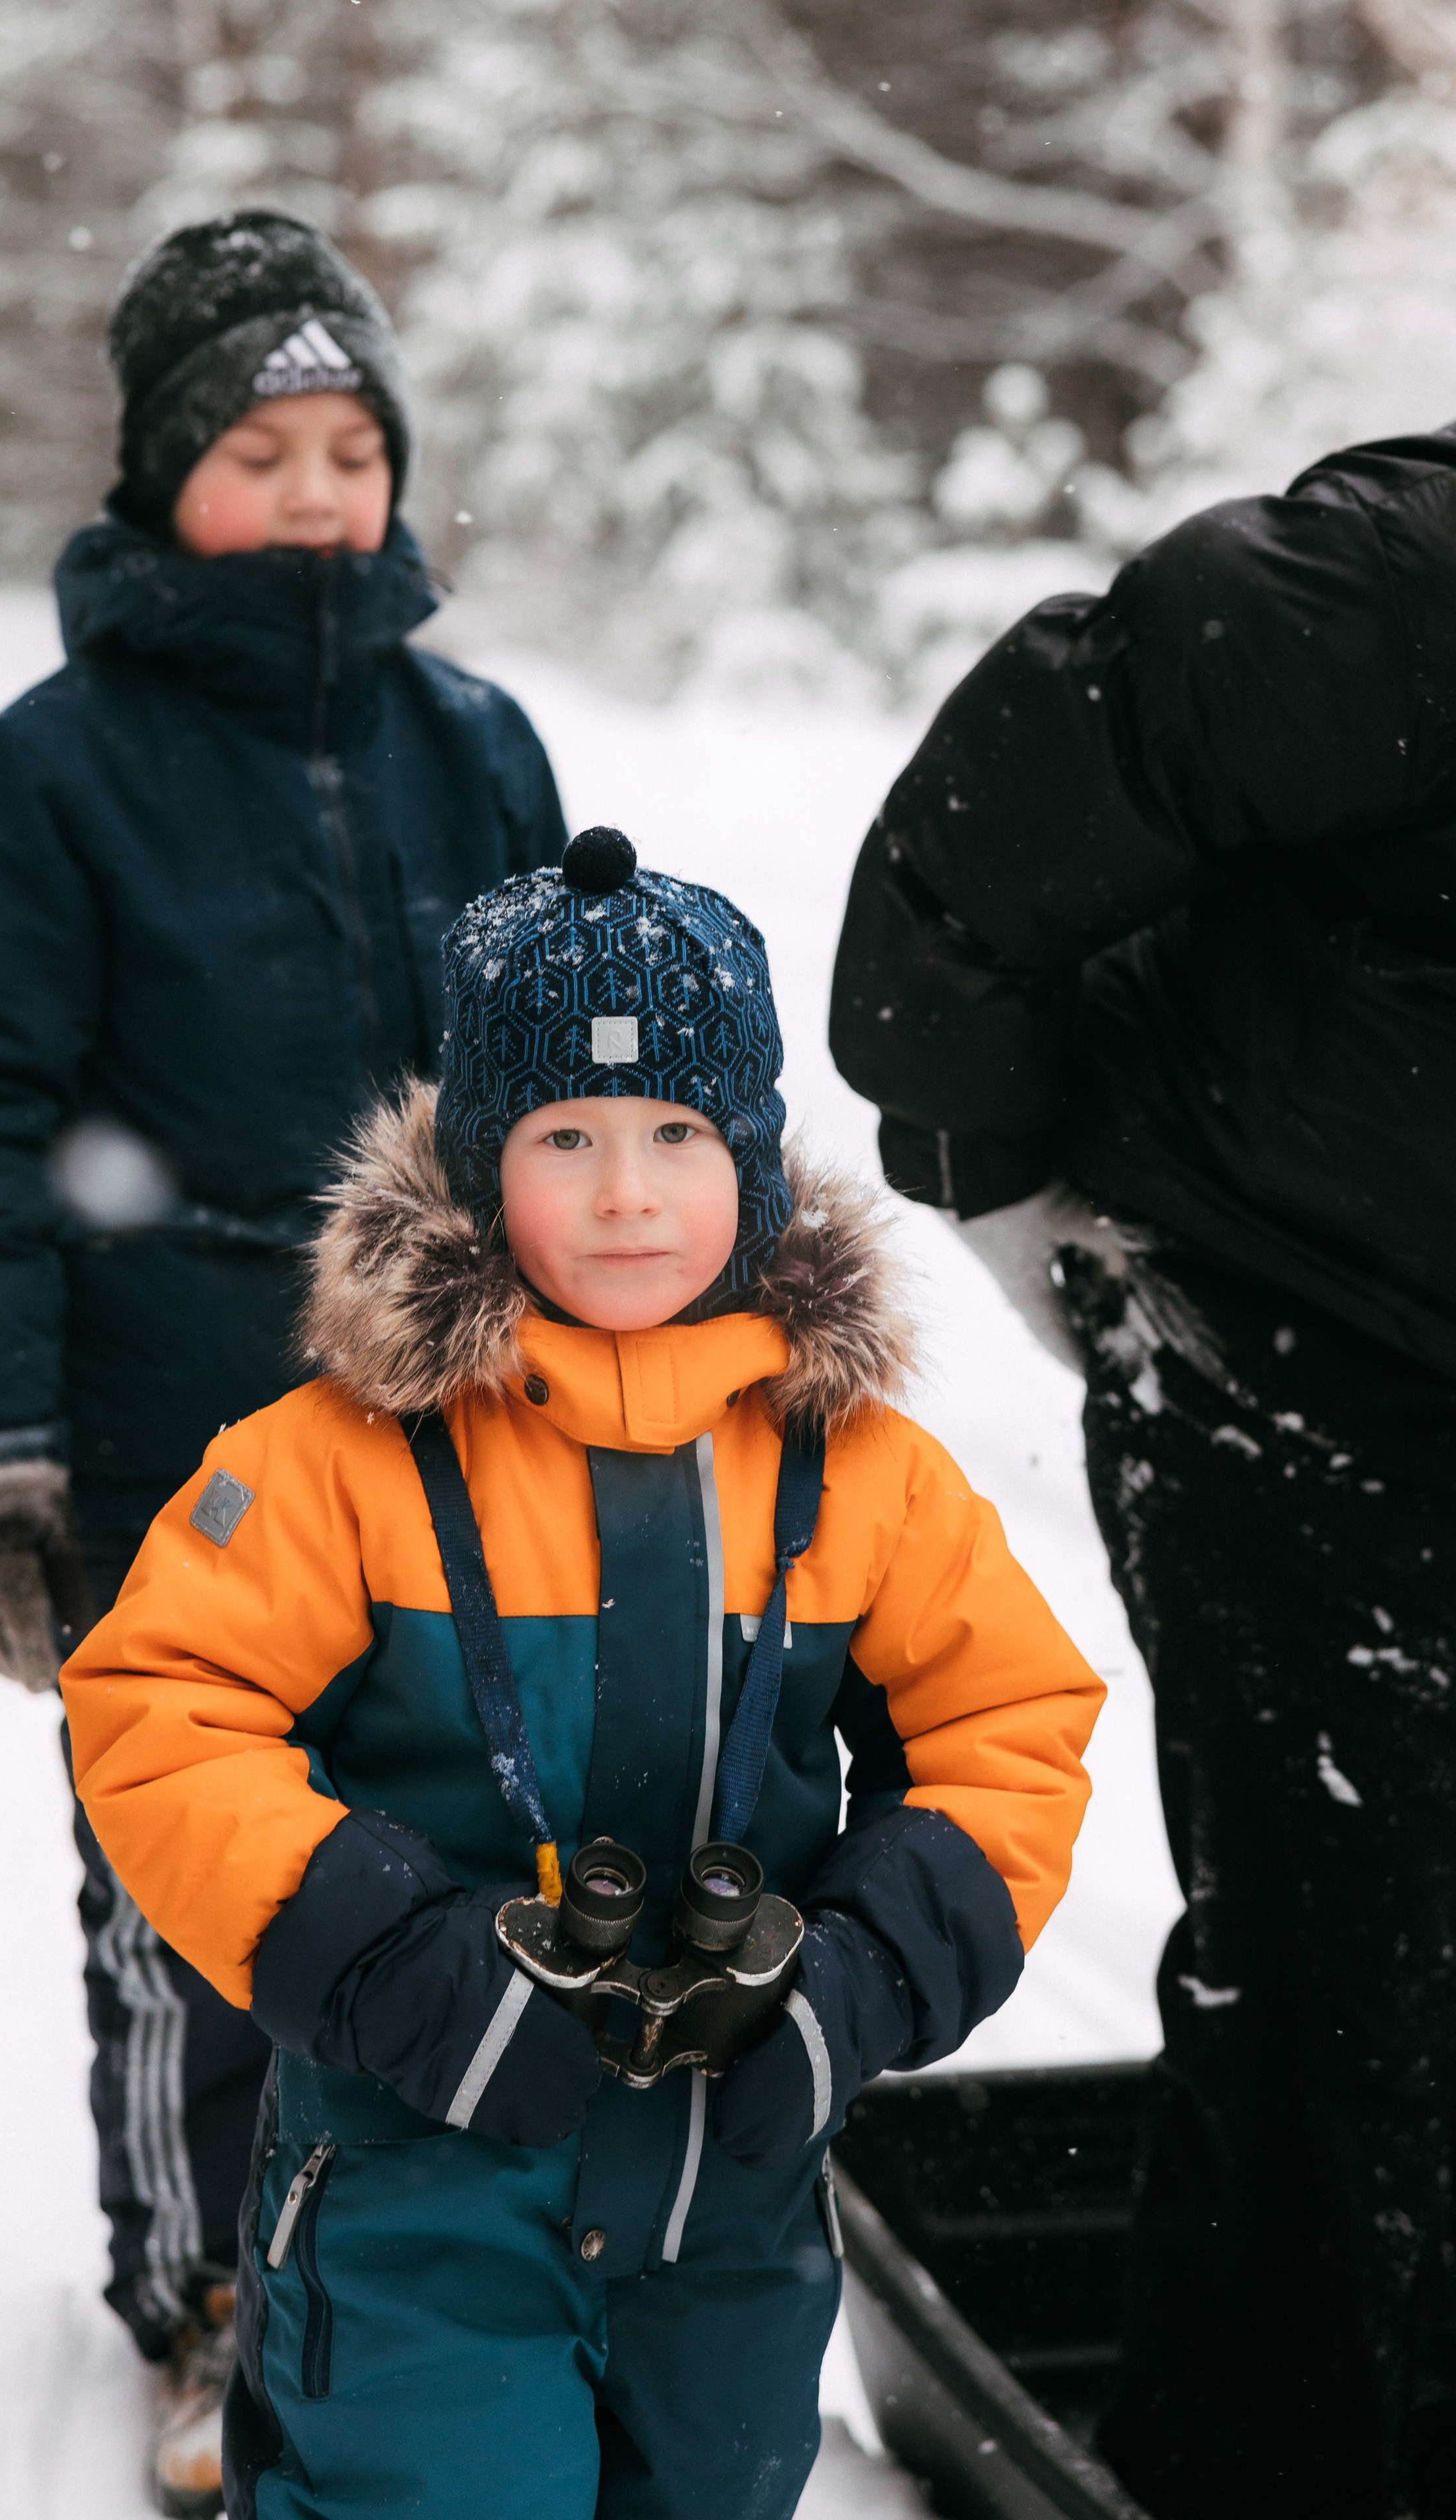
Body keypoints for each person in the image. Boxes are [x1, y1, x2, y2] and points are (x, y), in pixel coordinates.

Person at [60, 823, 1106, 2520]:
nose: (629, 1192)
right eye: (567, 1136)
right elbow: (161, 1712)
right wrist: (399, 1960)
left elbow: (1011, 1726)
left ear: (754, 1162)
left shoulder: (859, 1471)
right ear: (481, 1169)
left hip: (731, 2213)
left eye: (678, 1134)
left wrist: (860, 1977)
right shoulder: (338, 1460)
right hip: (417, 2188)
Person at [0, 209, 567, 2513]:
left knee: (463, 1846)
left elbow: (565, 1076)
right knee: (203, 1890)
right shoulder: (47, 774)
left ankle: (441, 2242)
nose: (312, 494)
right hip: (176, 1437)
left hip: (462, 1431)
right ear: (165, 471)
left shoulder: (477, 742)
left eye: (349, 448)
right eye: (260, 449)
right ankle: (211, 2297)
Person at [828, 427, 1456, 2520]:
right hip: (1279, 1322)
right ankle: (1249, 2465)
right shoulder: (1399, 593)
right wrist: (1006, 1182)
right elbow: (973, 846)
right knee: (1361, 1975)